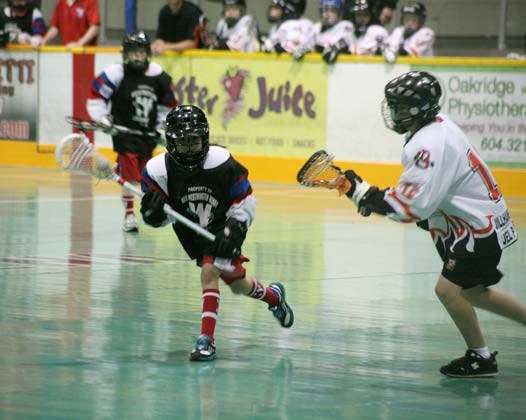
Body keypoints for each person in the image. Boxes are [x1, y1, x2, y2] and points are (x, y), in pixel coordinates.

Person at [339, 71, 524, 378]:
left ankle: (481, 357)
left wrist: (364, 194)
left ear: (414, 109)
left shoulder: (427, 144)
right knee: (474, 292)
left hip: (475, 230)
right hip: (483, 221)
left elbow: (413, 206)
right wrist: (372, 199)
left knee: (448, 291)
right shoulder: (440, 126)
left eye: (397, 106)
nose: (393, 112)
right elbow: (430, 195)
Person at [139, 105, 295, 361]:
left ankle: (206, 341)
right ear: (170, 142)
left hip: (225, 225)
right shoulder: (157, 172)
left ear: (205, 139)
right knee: (237, 284)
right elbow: (163, 219)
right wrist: (153, 214)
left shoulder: (223, 163)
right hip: (192, 233)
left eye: (194, 142)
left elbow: (246, 201)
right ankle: (274, 298)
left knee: (209, 272)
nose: (189, 149)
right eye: (183, 143)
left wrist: (234, 230)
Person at [86, 31, 177, 232]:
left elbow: (168, 105)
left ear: (147, 54)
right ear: (125, 54)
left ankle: (148, 209)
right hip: (124, 136)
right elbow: (96, 95)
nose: (137, 57)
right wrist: (102, 118)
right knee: (131, 178)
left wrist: (161, 127)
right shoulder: (115, 73)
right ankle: (129, 215)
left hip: (147, 137)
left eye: (140, 52)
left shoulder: (158, 76)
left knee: (146, 177)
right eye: (132, 53)